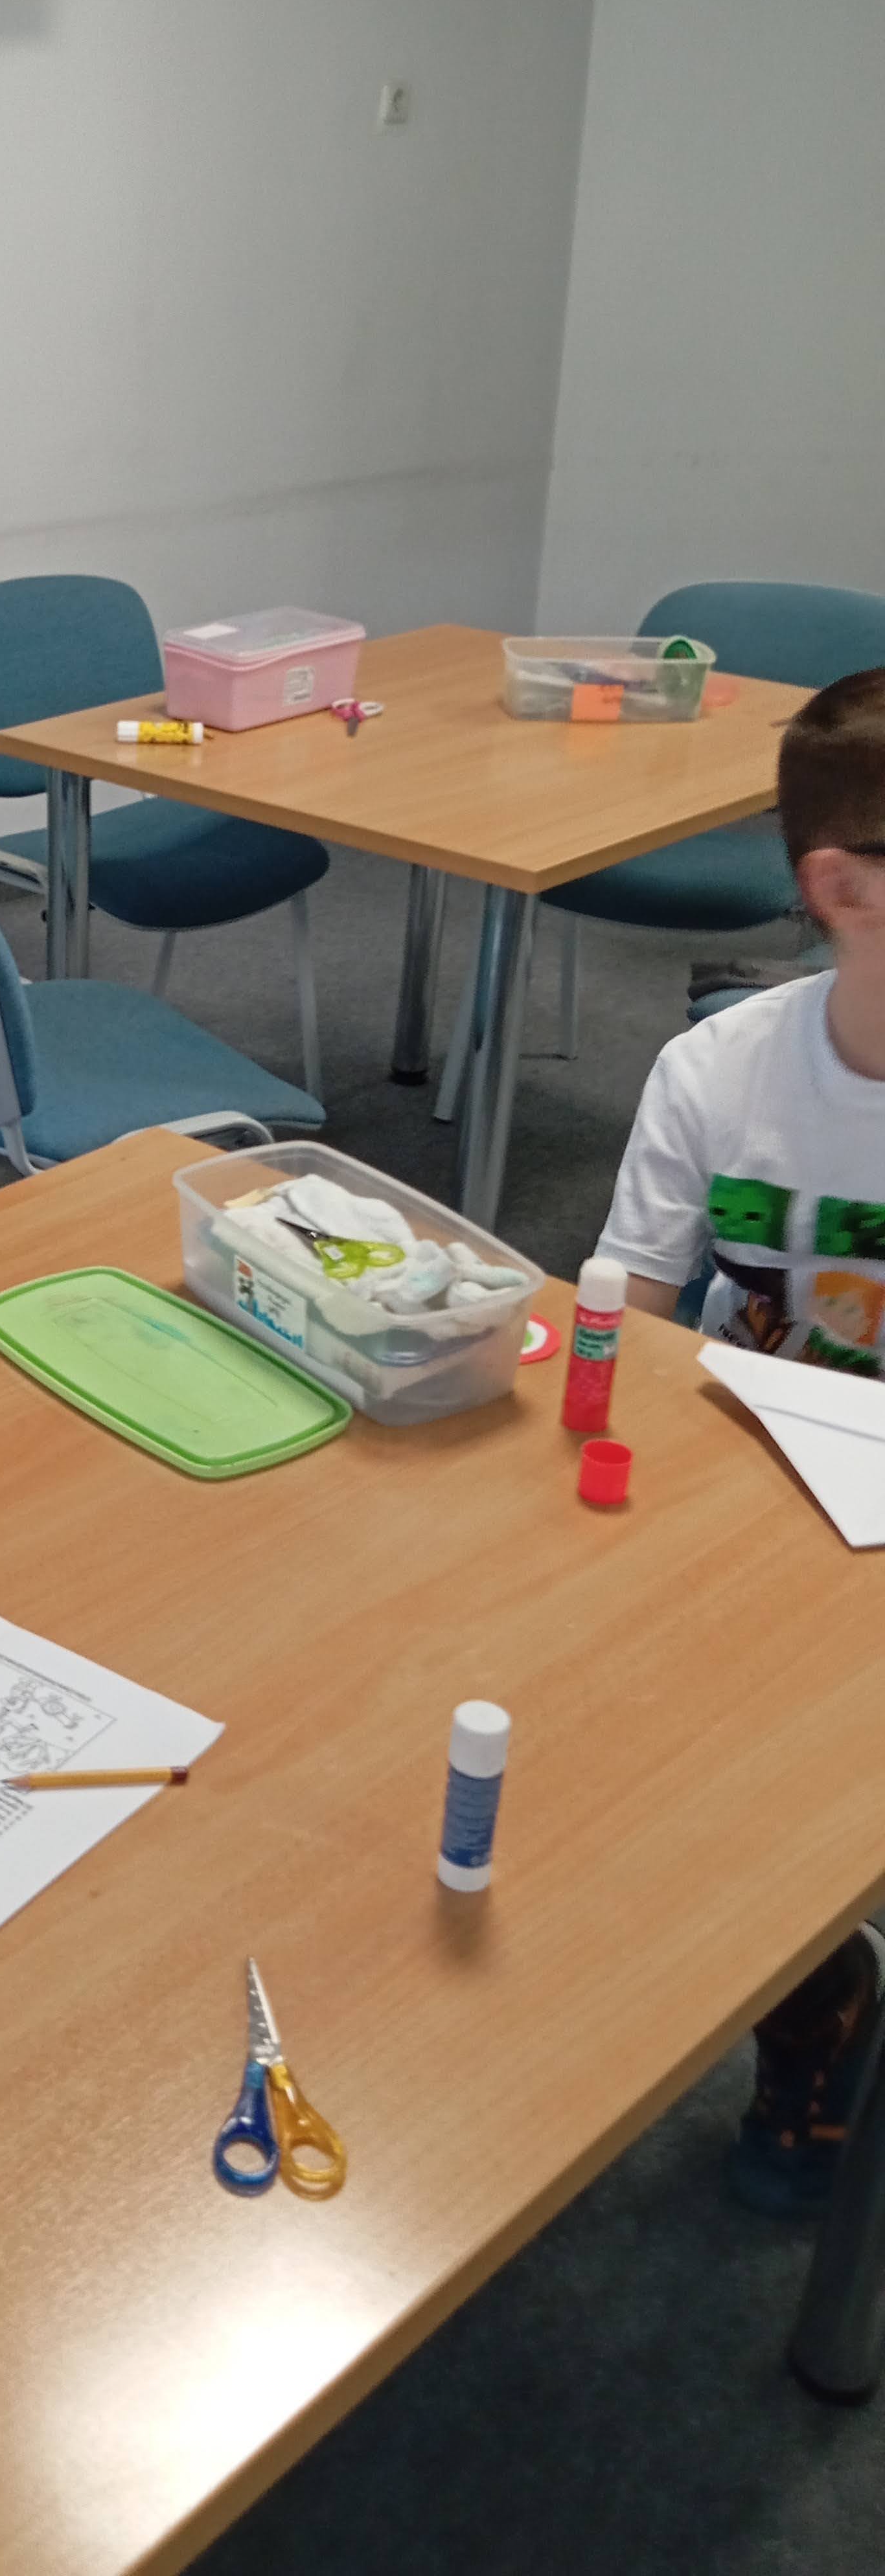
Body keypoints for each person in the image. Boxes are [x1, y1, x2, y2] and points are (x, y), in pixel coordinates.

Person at [596, 662, 885, 2216]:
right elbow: (627, 1326)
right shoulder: (720, 1073)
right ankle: (811, 1988)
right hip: (748, 1492)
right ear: (842, 889)